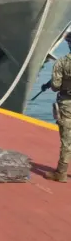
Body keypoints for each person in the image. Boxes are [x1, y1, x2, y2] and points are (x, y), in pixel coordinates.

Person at [42, 32, 71, 182]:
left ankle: (61, 173)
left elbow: (55, 86)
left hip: (67, 104)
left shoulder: (61, 63)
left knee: (67, 140)